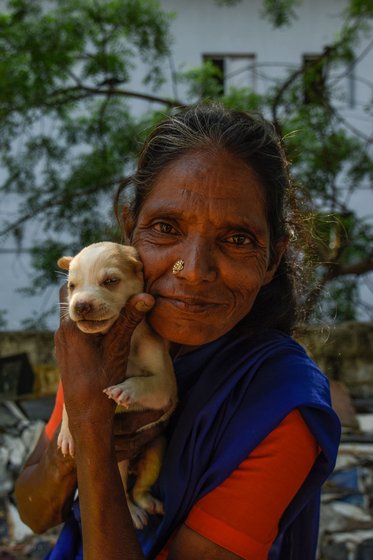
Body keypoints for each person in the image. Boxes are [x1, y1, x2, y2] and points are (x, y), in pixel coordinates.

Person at [15, 103, 341, 560]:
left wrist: (91, 426)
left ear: (272, 259)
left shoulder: (283, 404)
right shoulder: (105, 346)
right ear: (131, 231)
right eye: (166, 228)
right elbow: (33, 511)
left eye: (237, 239)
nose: (193, 271)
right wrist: (78, 441)